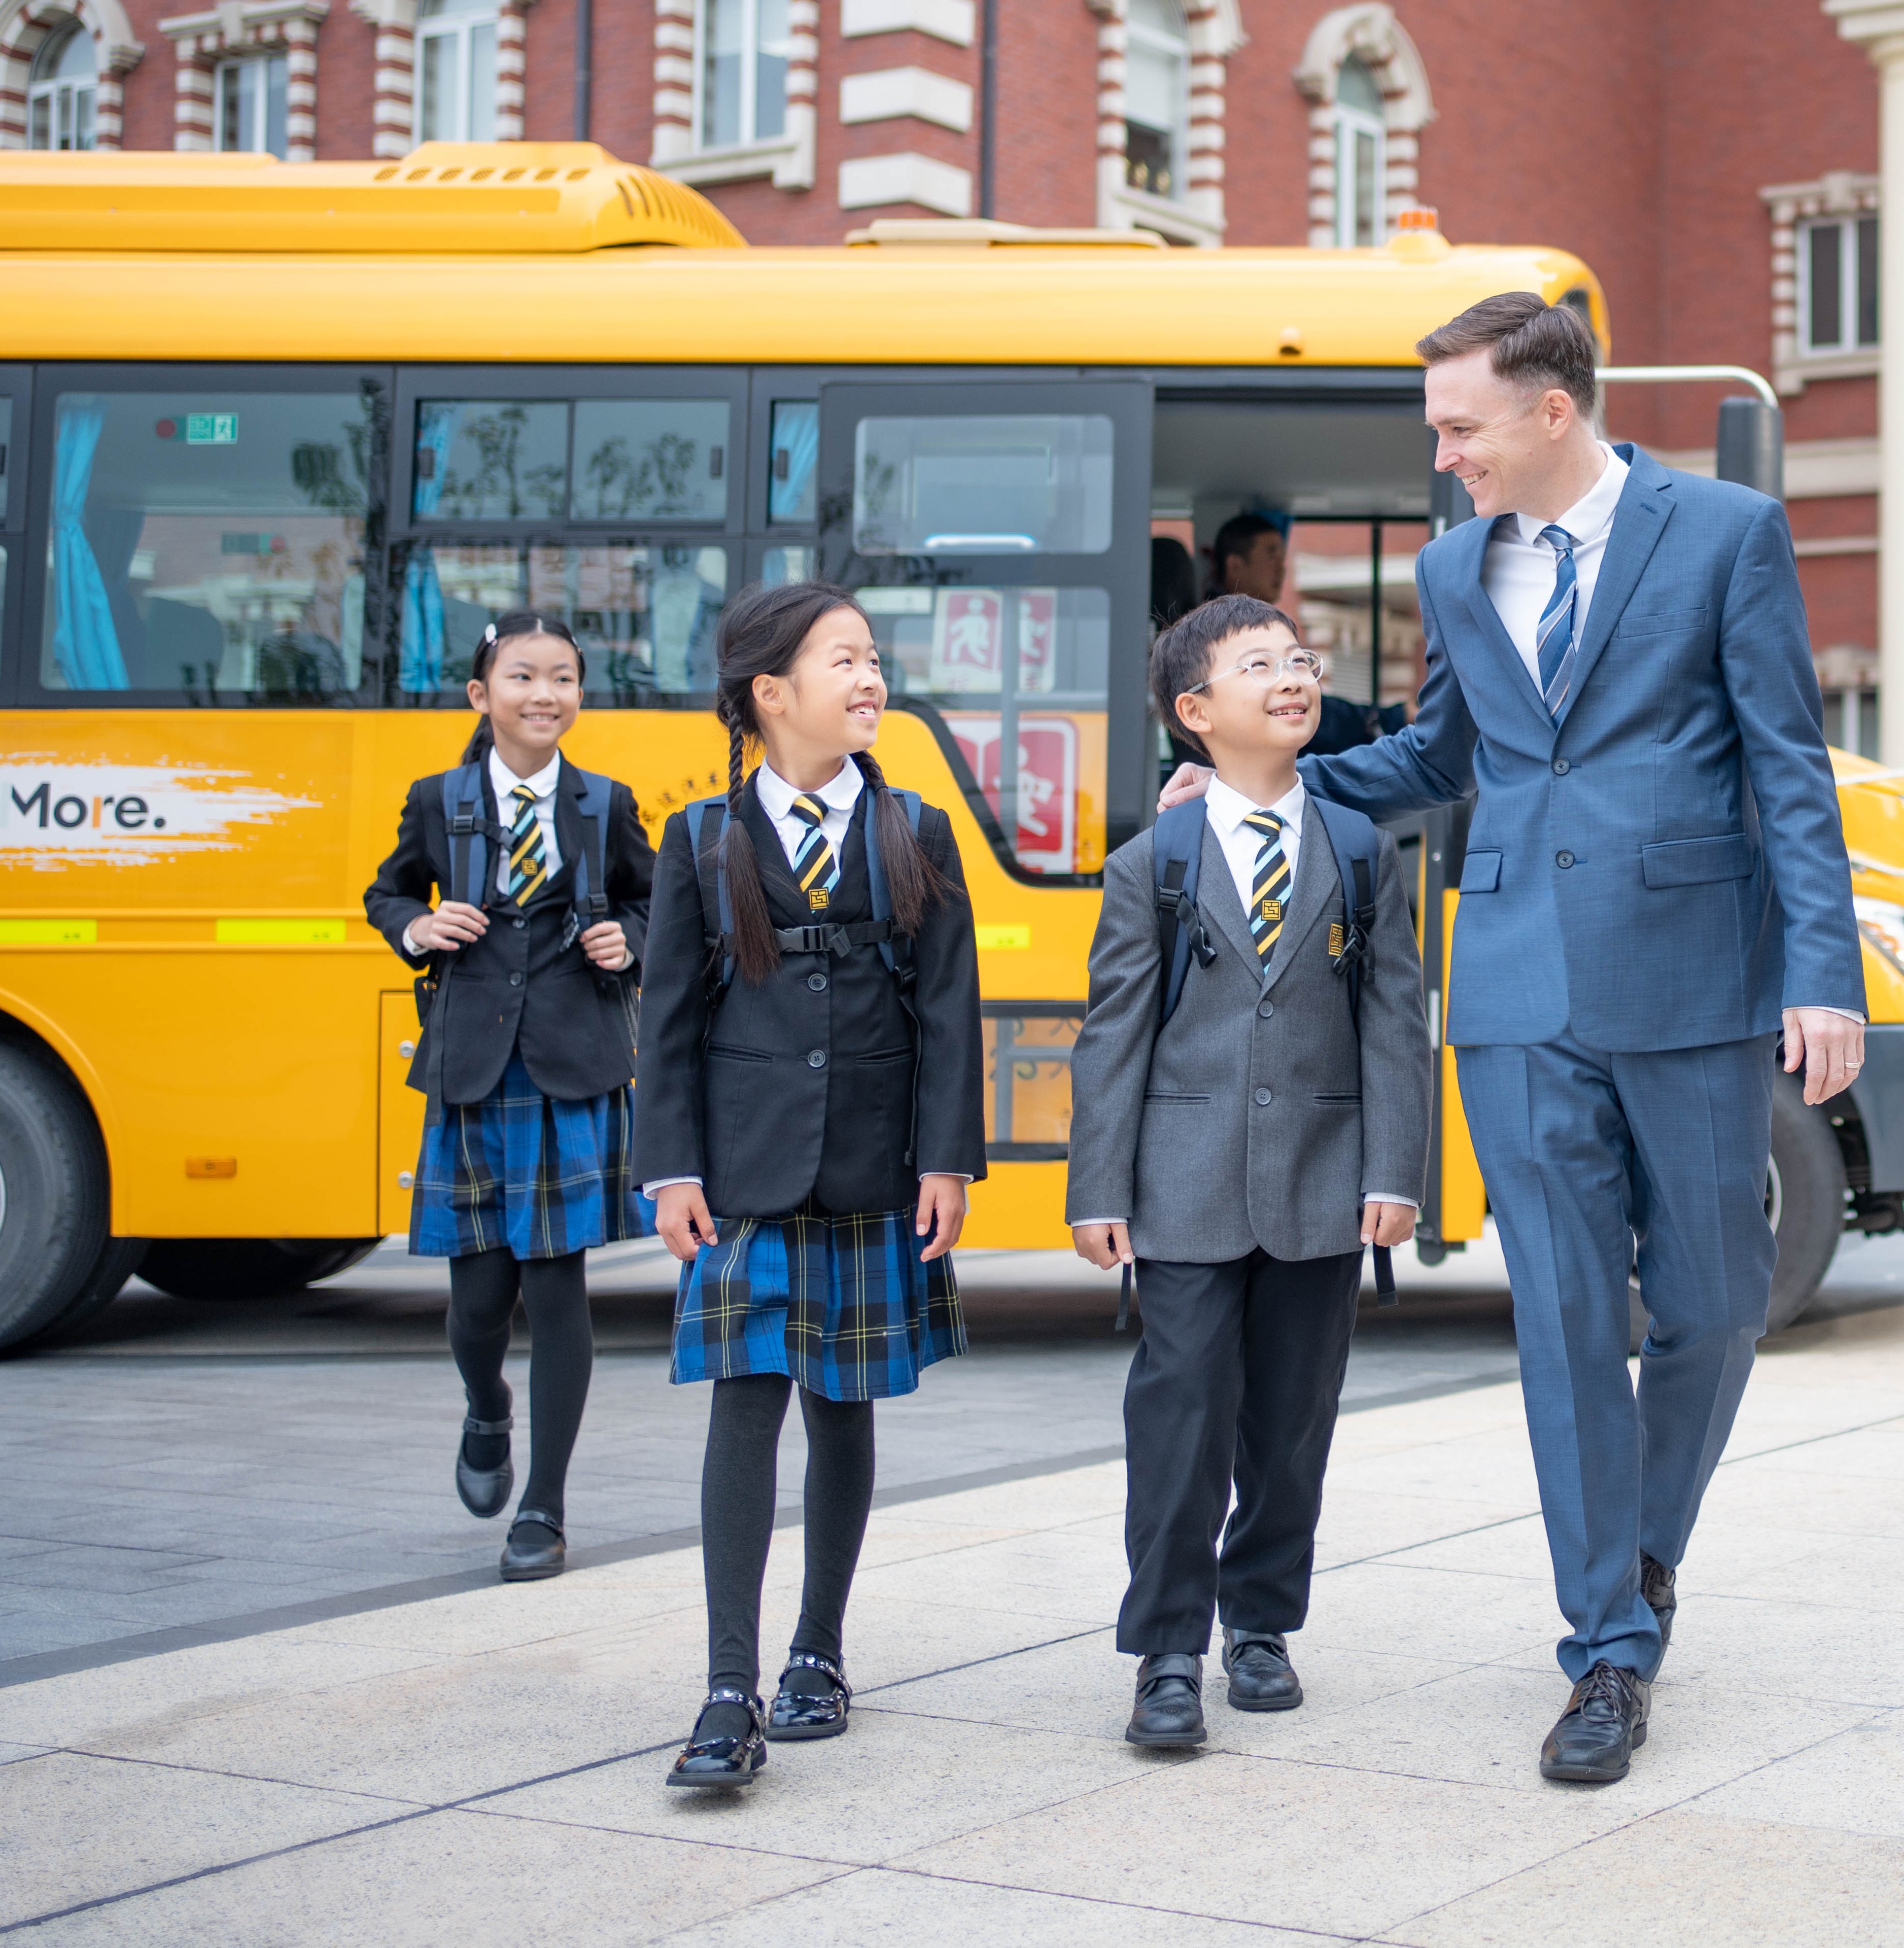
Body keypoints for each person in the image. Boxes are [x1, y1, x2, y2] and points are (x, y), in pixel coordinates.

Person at [1163, 292, 1863, 1786]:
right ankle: (1605, 1645)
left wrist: (1827, 971)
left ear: (1552, 410)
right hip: (1517, 998)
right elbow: (1438, 756)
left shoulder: (1725, 530)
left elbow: (1787, 761)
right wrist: (1252, 785)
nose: (1444, 451)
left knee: (1716, 1299)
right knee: (1558, 1323)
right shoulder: (1451, 563)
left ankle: (1642, 1546)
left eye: (1459, 424)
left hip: (1693, 975)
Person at [635, 581, 984, 1789]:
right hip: (741, 1173)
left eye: (874, 657)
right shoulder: (697, 840)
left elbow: (948, 1013)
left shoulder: (920, 831)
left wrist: (946, 1160)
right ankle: (727, 1687)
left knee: (844, 1409)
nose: (871, 678)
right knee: (744, 1401)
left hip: (874, 1168)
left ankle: (818, 1655)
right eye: (846, 659)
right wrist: (669, 1167)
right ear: (769, 692)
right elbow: (668, 1019)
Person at [1066, 597, 1426, 1750]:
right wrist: (1097, 1187)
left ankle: (1259, 1625)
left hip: (1323, 1183)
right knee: (1177, 1419)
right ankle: (1166, 1649)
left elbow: (1394, 1019)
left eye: (1300, 661)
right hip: (1180, 1185)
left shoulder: (1362, 852)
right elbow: (1112, 1033)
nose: (1292, 678)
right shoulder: (1154, 861)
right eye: (1258, 664)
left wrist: (1396, 1169)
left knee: (1289, 1425)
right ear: (1194, 713)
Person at [364, 611, 654, 1585]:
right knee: (478, 1298)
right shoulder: (438, 798)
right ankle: (487, 1404)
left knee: (557, 1284)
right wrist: (418, 924)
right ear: (481, 694)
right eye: (523, 676)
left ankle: (545, 1504)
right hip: (473, 1071)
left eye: (564, 677)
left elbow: (653, 901)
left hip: (571, 1066)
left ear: (581, 695)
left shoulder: (604, 803)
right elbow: (386, 893)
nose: (546, 693)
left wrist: (633, 941)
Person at [1199, 511, 1400, 759]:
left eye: (1298, 663)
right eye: (1271, 555)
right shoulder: (1216, 635)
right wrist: (1387, 718)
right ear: (1236, 566)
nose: (1282, 569)